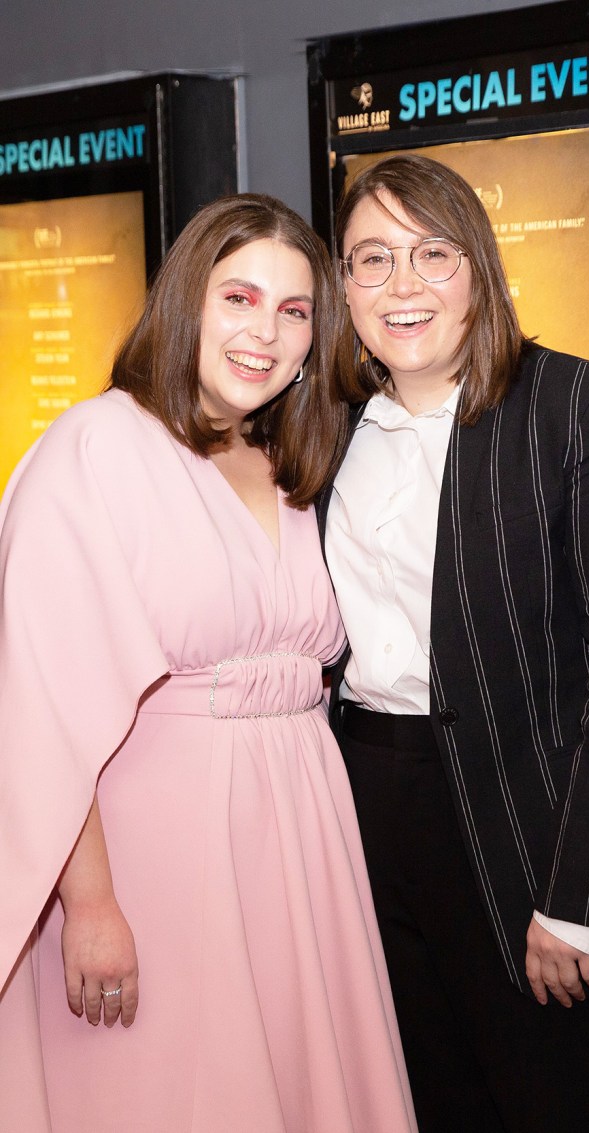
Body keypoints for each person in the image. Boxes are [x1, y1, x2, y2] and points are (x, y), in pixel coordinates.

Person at [0, 193, 417, 1133]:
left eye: (294, 310)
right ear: (188, 300)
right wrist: (92, 903)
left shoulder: (289, 458)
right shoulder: (94, 448)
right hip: (163, 857)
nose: (263, 332)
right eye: (239, 297)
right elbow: (36, 707)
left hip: (300, 841)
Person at [317, 152, 589, 1133]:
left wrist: (579, 897)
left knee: (567, 1098)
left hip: (537, 824)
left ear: (476, 265)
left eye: (430, 253)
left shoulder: (582, 409)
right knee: (428, 1097)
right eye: (371, 259)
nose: (401, 285)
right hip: (368, 817)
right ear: (340, 284)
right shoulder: (321, 430)